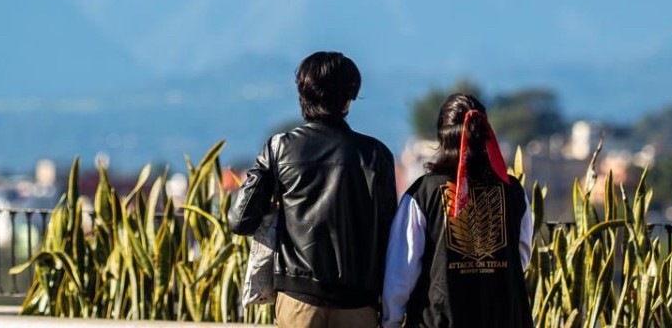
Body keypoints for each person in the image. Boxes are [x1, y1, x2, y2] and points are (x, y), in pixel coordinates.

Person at [229, 51, 397, 328]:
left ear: (302, 95)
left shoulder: (279, 148)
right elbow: (390, 234)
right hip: (358, 302)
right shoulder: (377, 155)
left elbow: (240, 221)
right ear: (348, 99)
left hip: (298, 301)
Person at [381, 93, 534, 327]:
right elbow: (521, 259)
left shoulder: (423, 194)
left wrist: (390, 320)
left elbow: (401, 274)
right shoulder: (513, 192)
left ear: (442, 137)